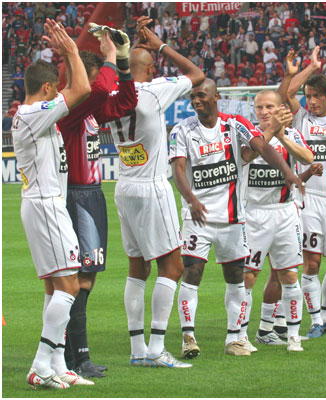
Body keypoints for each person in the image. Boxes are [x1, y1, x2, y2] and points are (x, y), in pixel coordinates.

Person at [170, 79, 305, 357]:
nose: (196, 100)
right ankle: (188, 337)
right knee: (192, 273)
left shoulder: (234, 124)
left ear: (216, 96)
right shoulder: (182, 129)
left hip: (233, 218)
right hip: (198, 217)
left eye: (201, 95)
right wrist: (191, 199)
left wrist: (287, 172)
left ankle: (235, 339)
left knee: (236, 278)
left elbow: (262, 146)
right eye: (193, 96)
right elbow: (178, 170)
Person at [106, 16, 205, 368]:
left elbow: (128, 67)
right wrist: (160, 45)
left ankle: (138, 349)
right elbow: (197, 74)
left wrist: (135, 47)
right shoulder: (153, 90)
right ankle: (157, 348)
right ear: (149, 70)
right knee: (173, 267)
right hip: (151, 187)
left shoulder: (113, 95)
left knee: (137, 268)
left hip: (124, 186)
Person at [13, 19, 92, 389]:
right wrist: (72, 51)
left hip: (43, 203)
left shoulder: (32, 114)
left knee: (55, 288)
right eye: (55, 90)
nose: (59, 96)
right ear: (46, 89)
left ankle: (58, 365)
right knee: (69, 287)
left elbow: (76, 90)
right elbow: (83, 88)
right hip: (45, 205)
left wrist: (66, 55)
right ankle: (39, 365)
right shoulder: (34, 113)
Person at [57, 27, 137, 378]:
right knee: (79, 279)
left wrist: (123, 62)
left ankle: (71, 354)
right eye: (89, 81)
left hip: (91, 196)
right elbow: (102, 90)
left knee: (86, 278)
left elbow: (125, 102)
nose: (94, 88)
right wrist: (109, 55)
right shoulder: (71, 109)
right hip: (76, 196)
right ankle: (78, 356)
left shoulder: (89, 112)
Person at [279, 46, 326, 337]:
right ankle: (314, 322)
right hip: (308, 200)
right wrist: (310, 67)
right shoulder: (301, 119)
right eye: (308, 96)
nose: (310, 101)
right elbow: (287, 93)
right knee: (311, 262)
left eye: (316, 96)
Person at [238, 86, 315, 351]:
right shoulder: (247, 135)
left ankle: (293, 336)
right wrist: (270, 133)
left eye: (269, 107)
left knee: (290, 275)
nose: (264, 111)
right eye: (259, 107)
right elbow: (247, 156)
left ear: (281, 109)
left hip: (285, 212)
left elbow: (308, 157)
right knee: (248, 276)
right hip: (253, 213)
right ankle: (241, 335)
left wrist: (282, 137)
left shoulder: (292, 134)